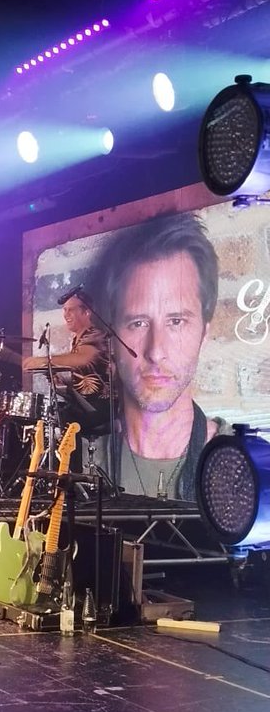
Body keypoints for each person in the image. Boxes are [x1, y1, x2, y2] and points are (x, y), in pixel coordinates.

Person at [86, 212, 227, 501]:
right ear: (111, 338)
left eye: (176, 321)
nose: (156, 351)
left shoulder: (254, 473)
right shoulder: (74, 468)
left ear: (204, 332)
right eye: (137, 323)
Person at [22, 291, 112, 432]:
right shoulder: (77, 340)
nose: (66, 314)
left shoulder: (95, 336)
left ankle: (65, 454)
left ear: (86, 312)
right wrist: (62, 384)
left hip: (101, 407)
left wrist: (44, 361)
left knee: (58, 417)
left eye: (71, 310)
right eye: (65, 310)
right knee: (48, 412)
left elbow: (83, 358)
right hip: (85, 404)